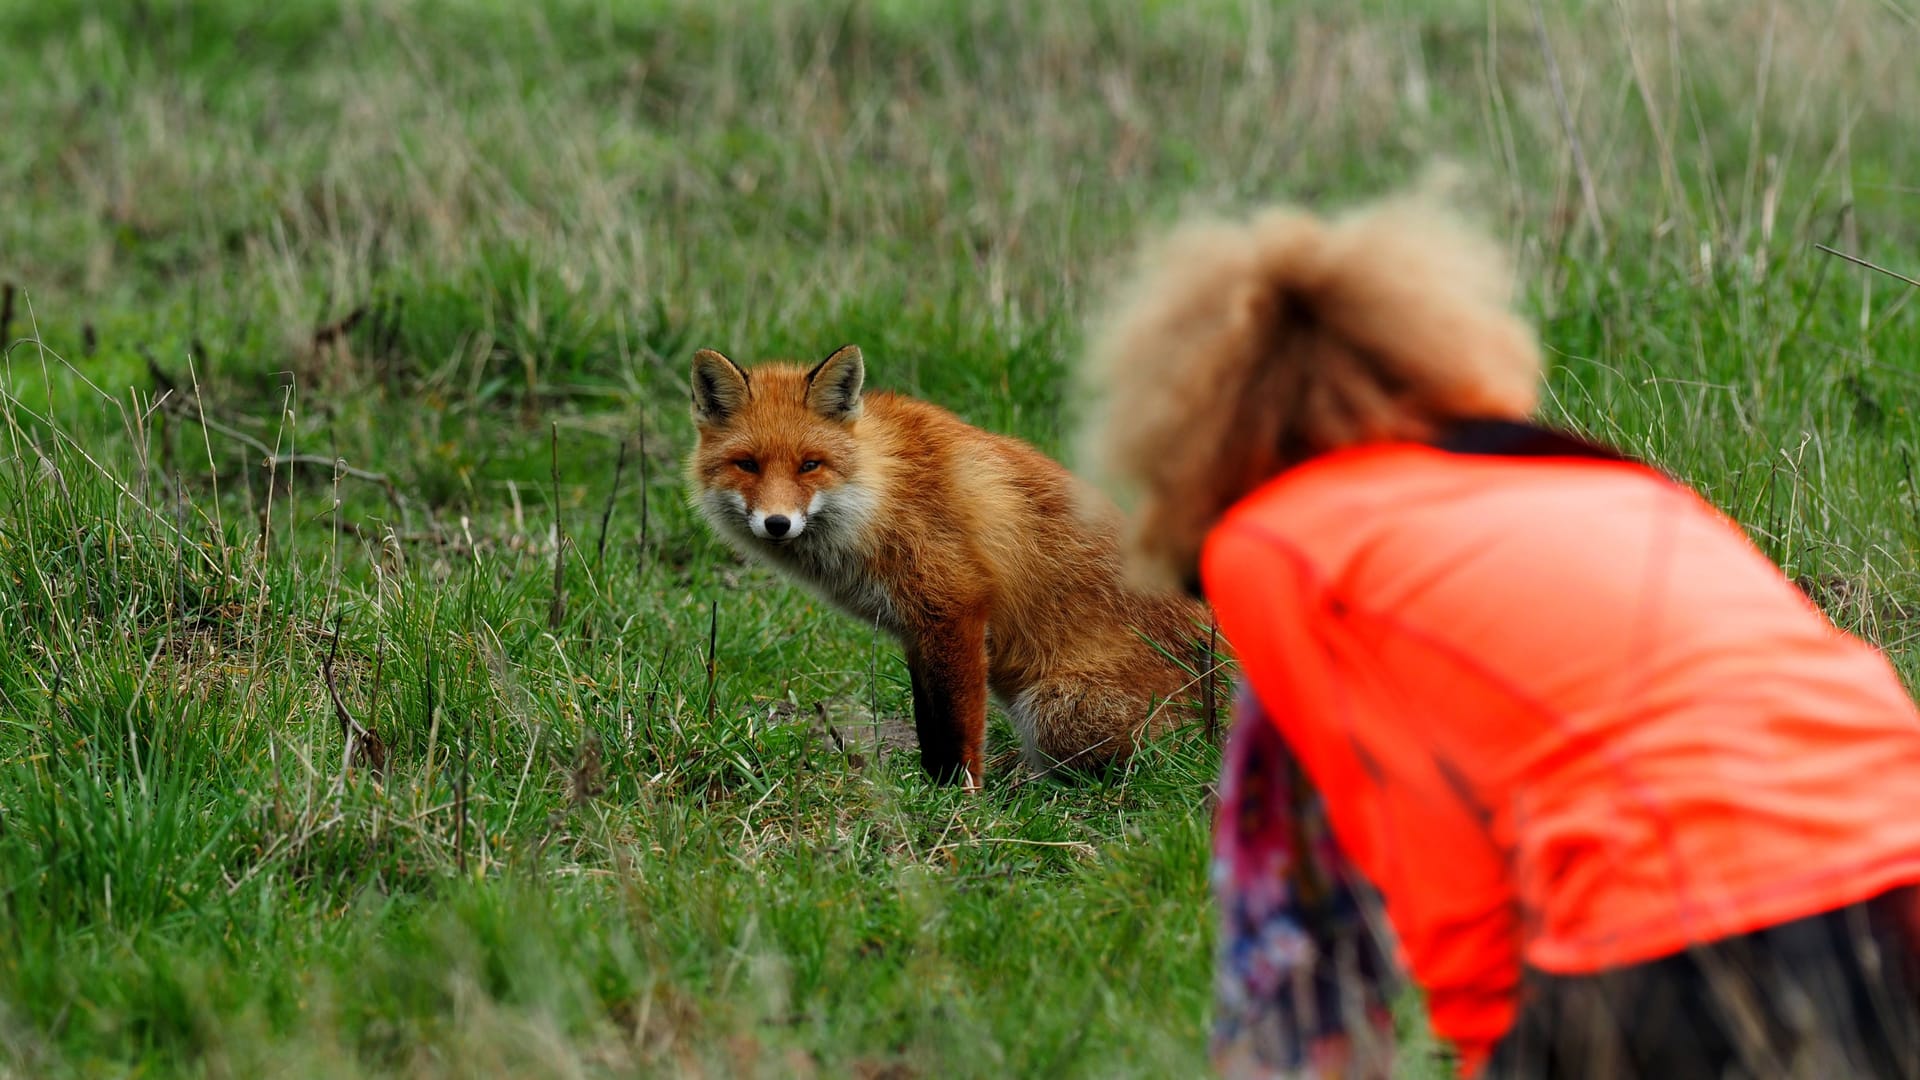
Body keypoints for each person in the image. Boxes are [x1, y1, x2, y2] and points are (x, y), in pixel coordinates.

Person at [1073, 181, 1920, 1079]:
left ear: (1184, 440)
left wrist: (1489, 1045)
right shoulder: (1617, 487)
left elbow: (1357, 913)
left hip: (1666, 942)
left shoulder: (1279, 547)